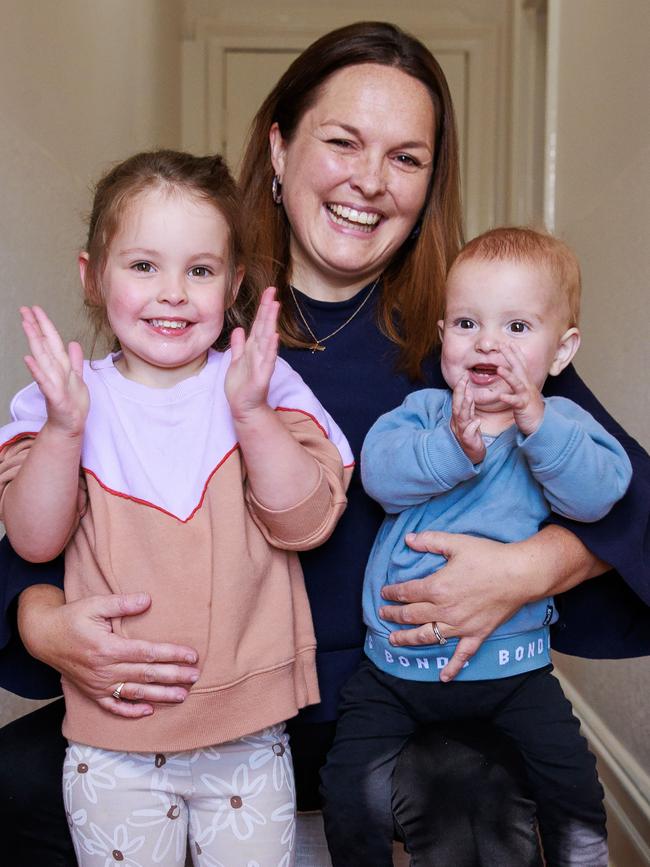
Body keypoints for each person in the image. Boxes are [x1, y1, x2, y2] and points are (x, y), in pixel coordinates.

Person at [1, 21, 649, 867]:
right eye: (342, 142)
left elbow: (628, 497)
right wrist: (44, 620)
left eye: (407, 158)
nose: (369, 182)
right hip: (194, 692)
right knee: (13, 782)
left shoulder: (467, 342)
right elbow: (49, 514)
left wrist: (525, 570)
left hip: (397, 698)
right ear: (278, 148)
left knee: (474, 800)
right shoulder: (185, 321)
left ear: (431, 182)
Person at [0, 150, 352, 866]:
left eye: (199, 269)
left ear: (233, 285)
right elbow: (34, 540)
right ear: (92, 276)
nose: (173, 293)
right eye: (142, 266)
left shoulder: (261, 379)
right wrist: (66, 428)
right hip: (113, 741)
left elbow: (307, 520)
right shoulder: (60, 400)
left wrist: (252, 414)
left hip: (251, 735)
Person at [320, 227, 632, 866]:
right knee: (347, 785)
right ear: (443, 338)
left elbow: (602, 495)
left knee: (570, 780)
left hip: (515, 669)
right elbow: (378, 473)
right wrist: (452, 451)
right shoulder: (424, 413)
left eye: (517, 327)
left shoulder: (563, 426)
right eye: (467, 323)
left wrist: (539, 428)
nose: (488, 342)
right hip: (394, 670)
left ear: (561, 350)